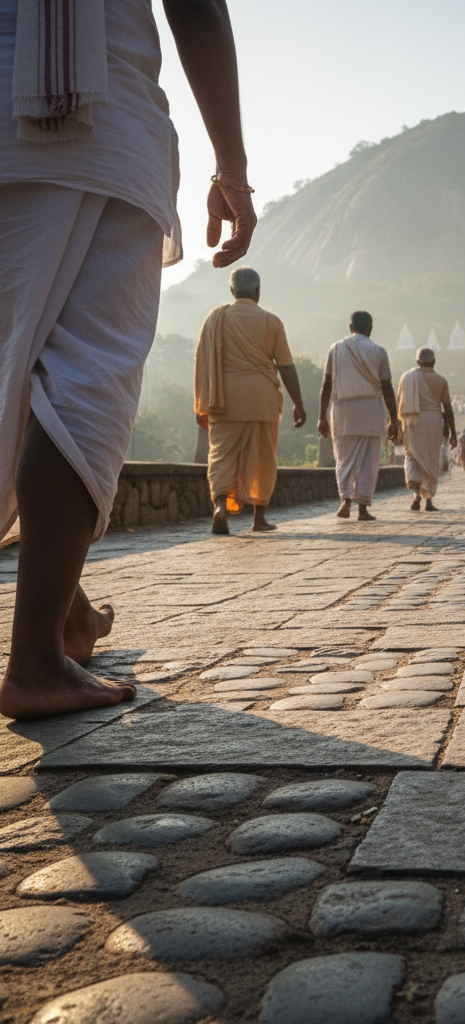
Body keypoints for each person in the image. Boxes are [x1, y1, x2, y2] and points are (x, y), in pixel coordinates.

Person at [0, 0, 256, 721]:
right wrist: (231, 166)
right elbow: (196, 7)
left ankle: (70, 618)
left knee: (12, 380)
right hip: (92, 113)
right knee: (83, 379)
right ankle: (37, 660)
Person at [194, 267, 305, 535]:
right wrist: (298, 403)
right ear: (257, 291)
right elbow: (286, 366)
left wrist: (202, 402)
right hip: (261, 400)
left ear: (232, 291)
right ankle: (259, 518)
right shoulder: (271, 321)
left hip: (224, 400)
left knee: (221, 456)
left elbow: (202, 361)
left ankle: (220, 505)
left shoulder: (215, 319)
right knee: (261, 460)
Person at [317, 311, 397, 522]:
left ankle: (345, 500)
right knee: (369, 461)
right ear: (370, 329)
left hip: (342, 412)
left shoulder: (336, 348)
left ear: (350, 327)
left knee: (343, 459)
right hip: (370, 410)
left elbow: (326, 384)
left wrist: (322, 416)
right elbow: (387, 387)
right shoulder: (379, 351)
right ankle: (362, 509)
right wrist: (394, 419)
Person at [396, 347, 456, 512]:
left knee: (412, 456)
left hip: (411, 422)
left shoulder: (406, 377)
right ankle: (428, 501)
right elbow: (448, 410)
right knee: (430, 459)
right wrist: (453, 433)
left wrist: (395, 426)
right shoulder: (441, 381)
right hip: (432, 422)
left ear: (417, 361)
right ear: (434, 362)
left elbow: (398, 403)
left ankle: (416, 494)